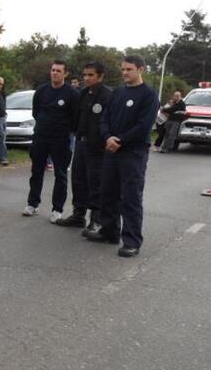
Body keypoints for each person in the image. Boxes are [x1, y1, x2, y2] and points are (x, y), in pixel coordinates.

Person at [86, 56, 159, 257]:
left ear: (140, 69)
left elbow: (144, 126)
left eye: (129, 69)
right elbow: (104, 118)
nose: (125, 73)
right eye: (123, 69)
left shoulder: (148, 95)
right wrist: (108, 136)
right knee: (107, 192)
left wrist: (120, 140)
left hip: (133, 153)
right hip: (111, 150)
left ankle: (132, 241)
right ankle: (109, 232)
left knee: (131, 197)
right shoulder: (118, 92)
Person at [55, 62, 112, 232]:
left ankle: (96, 219)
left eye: (91, 75)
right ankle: (78, 214)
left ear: (100, 76)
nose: (86, 78)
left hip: (98, 147)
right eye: (85, 75)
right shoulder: (83, 94)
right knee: (78, 180)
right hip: (81, 143)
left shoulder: (107, 95)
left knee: (96, 182)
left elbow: (108, 121)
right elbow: (76, 118)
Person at [22, 60, 79, 221]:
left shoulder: (72, 93)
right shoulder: (41, 91)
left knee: (60, 174)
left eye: (59, 71)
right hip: (41, 137)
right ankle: (32, 204)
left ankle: (57, 209)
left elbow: (75, 117)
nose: (55, 73)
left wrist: (66, 131)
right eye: (53, 70)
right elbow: (36, 112)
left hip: (61, 139)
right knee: (36, 171)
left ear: (65, 74)